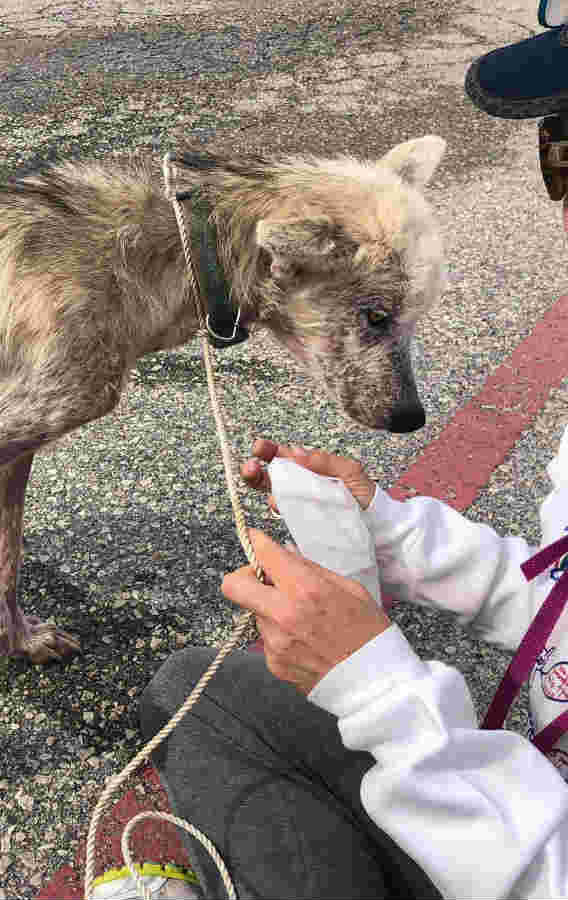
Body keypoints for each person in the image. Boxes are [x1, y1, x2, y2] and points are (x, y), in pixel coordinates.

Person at [131, 8, 568, 899]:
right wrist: (395, 533)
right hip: (521, 791)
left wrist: (384, 697)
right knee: (199, 691)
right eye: (561, 153)